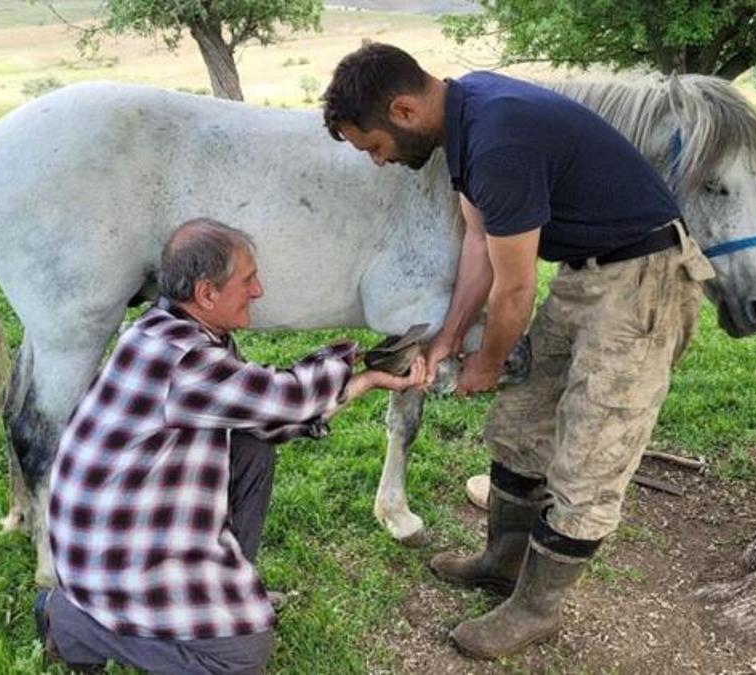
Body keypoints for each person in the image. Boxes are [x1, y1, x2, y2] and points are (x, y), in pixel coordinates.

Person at [322, 44, 715, 659]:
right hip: (587, 277)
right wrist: (450, 337)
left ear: (403, 111)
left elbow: (514, 289)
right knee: (520, 422)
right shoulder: (466, 114)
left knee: (592, 454)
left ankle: (537, 609)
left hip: (644, 282)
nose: (379, 161)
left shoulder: (497, 143)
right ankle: (503, 563)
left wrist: (484, 364)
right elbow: (480, 240)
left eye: (373, 146)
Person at [36, 217, 425, 674]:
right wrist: (357, 365)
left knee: (253, 444)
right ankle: (75, 622)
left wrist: (368, 374)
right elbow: (289, 399)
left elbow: (268, 411)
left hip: (117, 520)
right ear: (206, 294)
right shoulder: (185, 360)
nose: (258, 290)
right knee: (242, 656)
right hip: (110, 555)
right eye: (248, 280)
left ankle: (223, 590)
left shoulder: (169, 329)